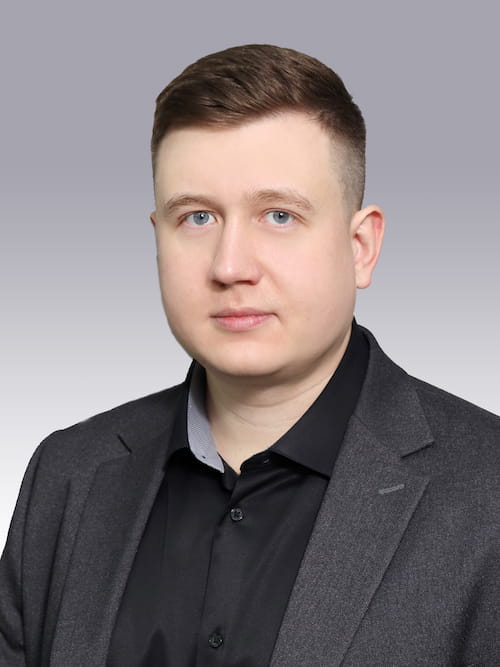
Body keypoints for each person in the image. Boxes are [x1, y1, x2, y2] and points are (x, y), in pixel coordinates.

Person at [1, 44, 499, 667]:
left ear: (361, 247)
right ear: (157, 240)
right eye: (197, 217)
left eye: (279, 215)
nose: (230, 265)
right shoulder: (67, 474)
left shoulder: (488, 489)